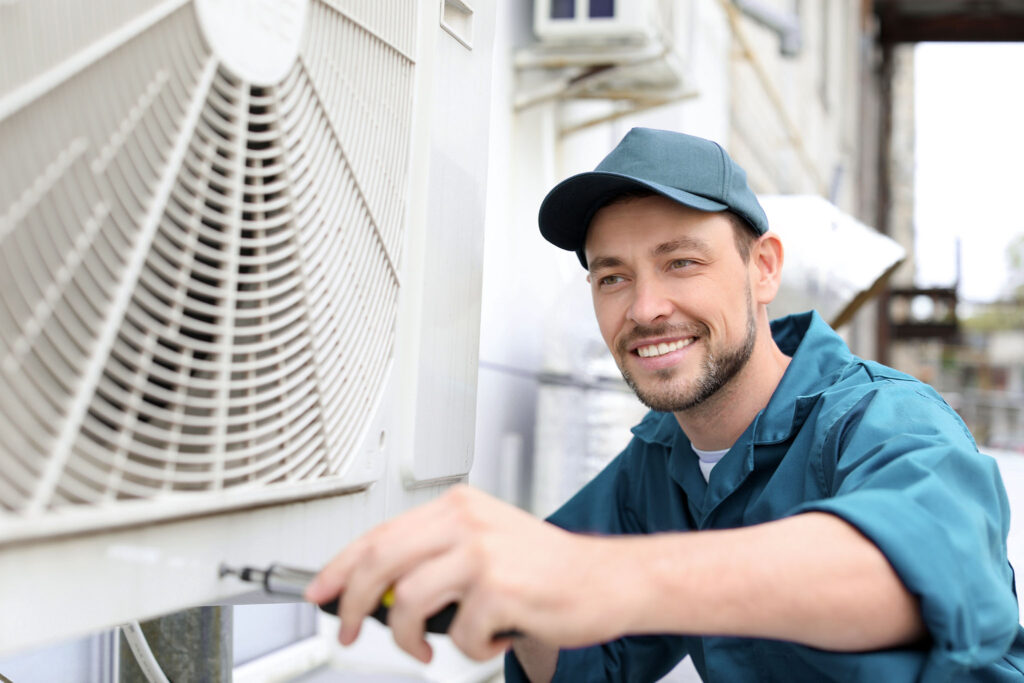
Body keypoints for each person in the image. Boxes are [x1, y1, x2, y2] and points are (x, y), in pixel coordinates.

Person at [305, 128, 1024, 681]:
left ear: (764, 268)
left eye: (682, 261)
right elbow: (590, 663)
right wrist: (515, 605)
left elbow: (918, 577)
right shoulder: (658, 460)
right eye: (612, 277)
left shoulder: (882, 419)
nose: (646, 308)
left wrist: (591, 575)